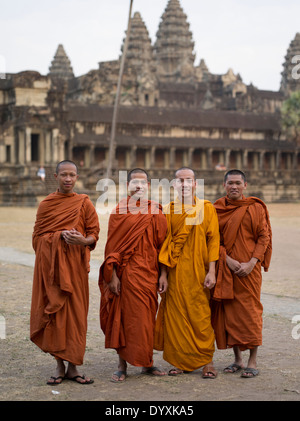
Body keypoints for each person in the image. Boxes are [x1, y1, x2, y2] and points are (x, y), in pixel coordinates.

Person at [30, 160, 100, 385]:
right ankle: (59, 367)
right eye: (64, 175)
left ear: (77, 177)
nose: (68, 179)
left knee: (76, 317)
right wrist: (57, 237)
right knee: (55, 317)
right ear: (56, 176)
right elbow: (37, 239)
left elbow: (94, 235)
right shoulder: (46, 205)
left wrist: (82, 241)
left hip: (76, 271)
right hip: (53, 273)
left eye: (72, 175)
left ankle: (74, 368)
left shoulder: (84, 203)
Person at [99, 168, 168, 382]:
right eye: (134, 182)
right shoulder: (119, 211)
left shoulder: (156, 210)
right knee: (123, 319)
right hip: (126, 275)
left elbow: (163, 246)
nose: (139, 186)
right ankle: (122, 365)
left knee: (146, 320)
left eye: (143, 182)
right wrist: (113, 276)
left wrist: (163, 275)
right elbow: (112, 248)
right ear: (127, 185)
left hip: (149, 273)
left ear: (148, 185)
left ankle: (147, 363)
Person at [154, 167, 220, 378]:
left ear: (195, 184)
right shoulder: (168, 210)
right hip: (174, 272)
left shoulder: (206, 208)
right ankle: (179, 361)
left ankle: (207, 361)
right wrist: (163, 275)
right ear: (174, 184)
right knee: (176, 317)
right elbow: (165, 244)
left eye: (188, 180)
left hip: (199, 272)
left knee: (201, 315)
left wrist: (212, 271)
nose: (184, 184)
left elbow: (213, 241)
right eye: (180, 180)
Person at [211, 169, 272, 378]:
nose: (234, 186)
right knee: (229, 313)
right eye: (230, 183)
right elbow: (211, 240)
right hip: (226, 269)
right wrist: (226, 259)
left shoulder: (255, 207)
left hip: (249, 271)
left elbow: (264, 237)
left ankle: (252, 361)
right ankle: (237, 359)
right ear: (224, 185)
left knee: (251, 313)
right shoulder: (216, 209)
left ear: (245, 185)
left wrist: (252, 262)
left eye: (238, 183)